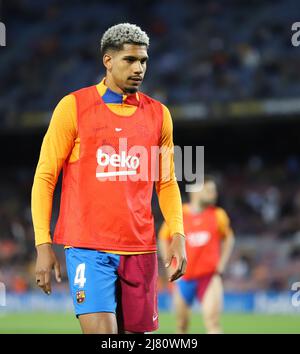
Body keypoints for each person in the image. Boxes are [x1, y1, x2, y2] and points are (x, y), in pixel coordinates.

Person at [31, 23, 187, 334]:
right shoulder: (73, 107)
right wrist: (43, 243)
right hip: (88, 248)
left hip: (141, 249)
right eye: (129, 60)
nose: (139, 68)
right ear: (108, 61)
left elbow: (166, 182)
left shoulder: (159, 115)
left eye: (143, 60)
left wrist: (178, 236)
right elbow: (45, 177)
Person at [159, 176, 235, 334]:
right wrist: (169, 267)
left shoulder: (218, 215)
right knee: (181, 326)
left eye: (214, 190)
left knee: (213, 323)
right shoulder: (178, 214)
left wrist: (221, 265)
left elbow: (229, 239)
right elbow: (163, 238)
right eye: (209, 190)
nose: (213, 194)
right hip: (182, 279)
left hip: (208, 277)